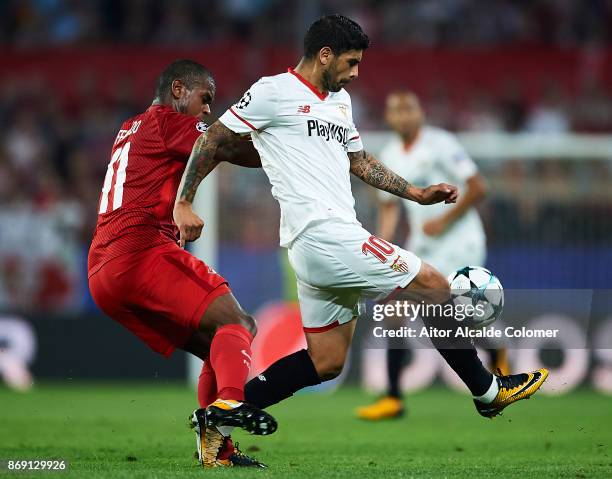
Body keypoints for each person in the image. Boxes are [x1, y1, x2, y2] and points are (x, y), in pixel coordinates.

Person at [173, 14, 548, 442]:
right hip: (321, 232)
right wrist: (184, 200)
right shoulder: (272, 91)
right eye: (350, 62)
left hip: (324, 242)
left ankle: (221, 416)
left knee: (326, 361)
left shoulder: (340, 103)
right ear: (324, 54)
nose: (355, 73)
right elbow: (212, 140)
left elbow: (361, 161)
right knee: (433, 284)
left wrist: (416, 193)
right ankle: (489, 391)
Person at [87, 59, 275, 469]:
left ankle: (217, 451)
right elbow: (227, 145)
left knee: (218, 346)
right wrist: (290, 145)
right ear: (178, 90)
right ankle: (228, 405)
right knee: (240, 324)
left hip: (103, 269)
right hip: (139, 252)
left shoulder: (130, 127)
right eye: (204, 99)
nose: (208, 109)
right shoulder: (167, 122)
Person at [356, 91, 509, 421]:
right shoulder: (390, 154)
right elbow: (388, 209)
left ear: (420, 112)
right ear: (388, 117)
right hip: (423, 245)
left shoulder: (441, 143)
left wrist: (444, 219)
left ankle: (494, 354)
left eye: (408, 108)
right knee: (395, 308)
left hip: (460, 239)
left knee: (453, 314)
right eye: (396, 110)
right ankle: (394, 398)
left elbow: (478, 187)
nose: (403, 115)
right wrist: (380, 254)